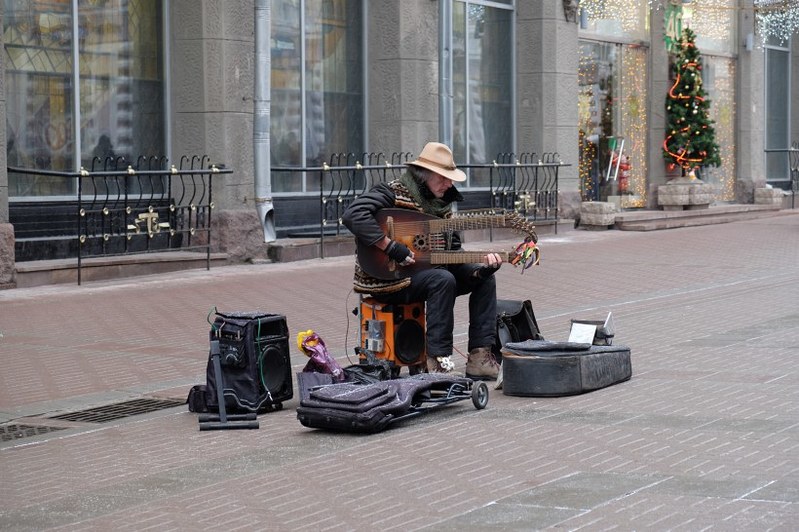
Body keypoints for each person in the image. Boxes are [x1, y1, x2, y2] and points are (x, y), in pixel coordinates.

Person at [342, 142, 502, 380]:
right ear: (423, 176)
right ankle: (437, 362)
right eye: (443, 178)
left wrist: (479, 270)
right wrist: (391, 247)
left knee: (485, 280)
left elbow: (453, 253)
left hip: (427, 275)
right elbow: (352, 215)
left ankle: (480, 357)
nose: (449, 184)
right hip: (387, 279)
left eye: (451, 179)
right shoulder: (392, 193)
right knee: (442, 279)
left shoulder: (442, 206)